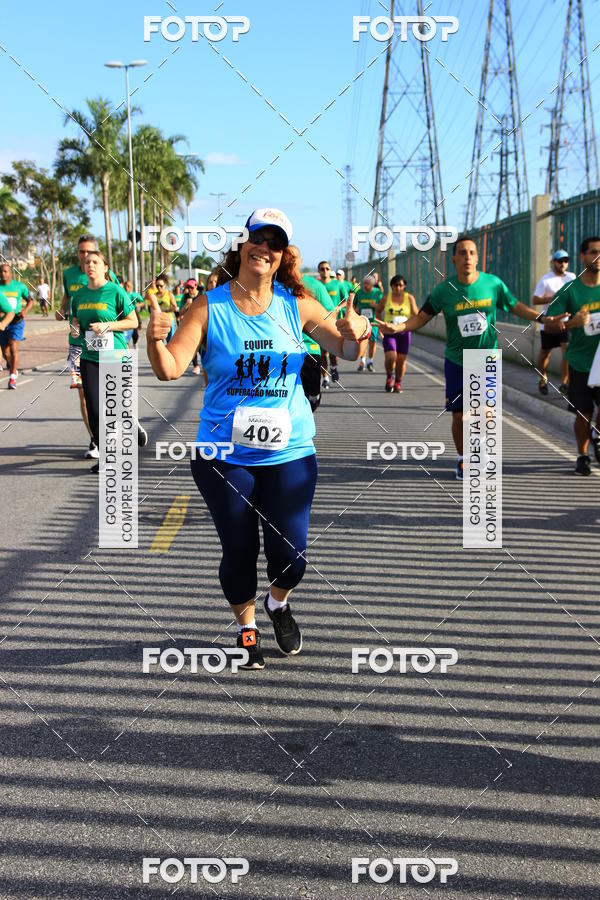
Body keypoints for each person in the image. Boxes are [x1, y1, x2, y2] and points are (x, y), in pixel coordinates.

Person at [146, 208, 370, 669]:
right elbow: (169, 367)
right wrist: (154, 338)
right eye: (257, 238)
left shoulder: (297, 306)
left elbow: (345, 349)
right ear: (242, 244)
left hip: (289, 453)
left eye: (275, 242)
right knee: (240, 549)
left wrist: (358, 333)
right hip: (224, 454)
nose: (263, 248)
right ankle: (246, 628)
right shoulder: (209, 305)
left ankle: (278, 603)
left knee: (293, 556)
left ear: (282, 253)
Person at [375, 236, 548, 479]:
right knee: (459, 414)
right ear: (454, 259)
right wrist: (397, 328)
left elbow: (515, 306)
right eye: (463, 253)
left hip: (486, 359)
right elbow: (420, 318)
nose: (467, 257)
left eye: (472, 253)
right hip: (457, 360)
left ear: (477, 258)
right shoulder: (444, 290)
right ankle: (463, 458)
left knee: (485, 412)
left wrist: (541, 318)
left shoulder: (493, 284)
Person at [71, 250, 145, 473]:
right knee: (94, 408)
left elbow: (132, 322)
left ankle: (131, 423)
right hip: (90, 356)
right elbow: (76, 320)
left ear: (105, 268)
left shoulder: (115, 291)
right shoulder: (80, 295)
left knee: (115, 407)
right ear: (83, 268)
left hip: (115, 354)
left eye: (95, 262)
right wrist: (75, 329)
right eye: (87, 262)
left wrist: (108, 326)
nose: (90, 265)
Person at [58, 234, 118, 458]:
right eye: (82, 253)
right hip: (77, 343)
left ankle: (120, 425)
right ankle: (95, 440)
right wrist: (62, 310)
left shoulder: (106, 275)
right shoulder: (69, 274)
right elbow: (67, 297)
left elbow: (116, 303)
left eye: (90, 253)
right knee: (85, 394)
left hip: (103, 343)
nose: (86, 258)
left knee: (106, 393)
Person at [544, 236, 600, 475]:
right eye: (593, 252)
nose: (598, 257)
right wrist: (570, 323)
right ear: (582, 256)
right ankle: (583, 454)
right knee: (584, 413)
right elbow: (549, 324)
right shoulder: (570, 290)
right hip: (580, 362)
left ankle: (597, 435)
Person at [289, 245, 336, 412]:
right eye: (287, 256)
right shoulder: (272, 285)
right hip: (283, 350)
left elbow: (329, 314)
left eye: (294, 257)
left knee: (311, 398)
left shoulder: (315, 286)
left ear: (301, 261)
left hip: (310, 348)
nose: (291, 260)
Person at [532, 249, 574, 395]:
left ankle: (565, 382)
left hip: (565, 322)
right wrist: (552, 298)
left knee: (567, 352)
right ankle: (543, 378)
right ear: (554, 262)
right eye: (560, 261)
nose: (563, 264)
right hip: (549, 323)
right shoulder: (546, 279)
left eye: (565, 261)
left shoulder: (572, 277)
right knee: (545, 353)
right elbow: (535, 299)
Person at [376, 274, 418, 392]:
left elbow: (416, 315)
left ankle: (398, 382)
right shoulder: (386, 298)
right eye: (395, 285)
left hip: (404, 332)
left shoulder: (409, 298)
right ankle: (390, 376)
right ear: (391, 286)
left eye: (400, 285)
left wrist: (412, 322)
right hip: (389, 331)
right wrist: (380, 326)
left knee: (401, 359)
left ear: (404, 286)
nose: (398, 288)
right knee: (391, 356)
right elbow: (378, 310)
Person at [0, 263, 33, 389]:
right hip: (2, 323)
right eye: (1, 271)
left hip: (16, 321)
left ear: (11, 273)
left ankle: (13, 376)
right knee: (5, 351)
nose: (3, 274)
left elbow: (30, 300)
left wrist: (25, 310)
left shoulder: (19, 286)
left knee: (13, 346)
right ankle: (11, 365)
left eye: (5, 271)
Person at [318, 260, 348, 388]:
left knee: (333, 350)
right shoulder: (316, 286)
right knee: (322, 352)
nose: (325, 271)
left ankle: (334, 367)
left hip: (335, 323)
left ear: (330, 270)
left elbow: (346, 301)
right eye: (322, 269)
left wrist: (338, 308)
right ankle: (325, 378)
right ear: (319, 271)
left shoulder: (338, 285)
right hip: (320, 322)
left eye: (327, 268)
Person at [354, 275, 383, 372]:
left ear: (373, 284)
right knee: (362, 342)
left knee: (372, 342)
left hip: (373, 322)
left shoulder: (377, 293)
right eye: (364, 283)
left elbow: (383, 306)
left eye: (368, 284)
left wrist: (376, 306)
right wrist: (355, 311)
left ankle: (370, 362)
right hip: (362, 322)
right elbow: (353, 306)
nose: (365, 285)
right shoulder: (359, 293)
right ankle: (362, 361)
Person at [154, 276, 178, 342]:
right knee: (159, 342)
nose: (159, 288)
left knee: (170, 341)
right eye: (157, 286)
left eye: (161, 286)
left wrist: (166, 310)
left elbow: (175, 307)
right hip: (159, 321)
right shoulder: (154, 296)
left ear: (165, 286)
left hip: (168, 320)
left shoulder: (169, 294)